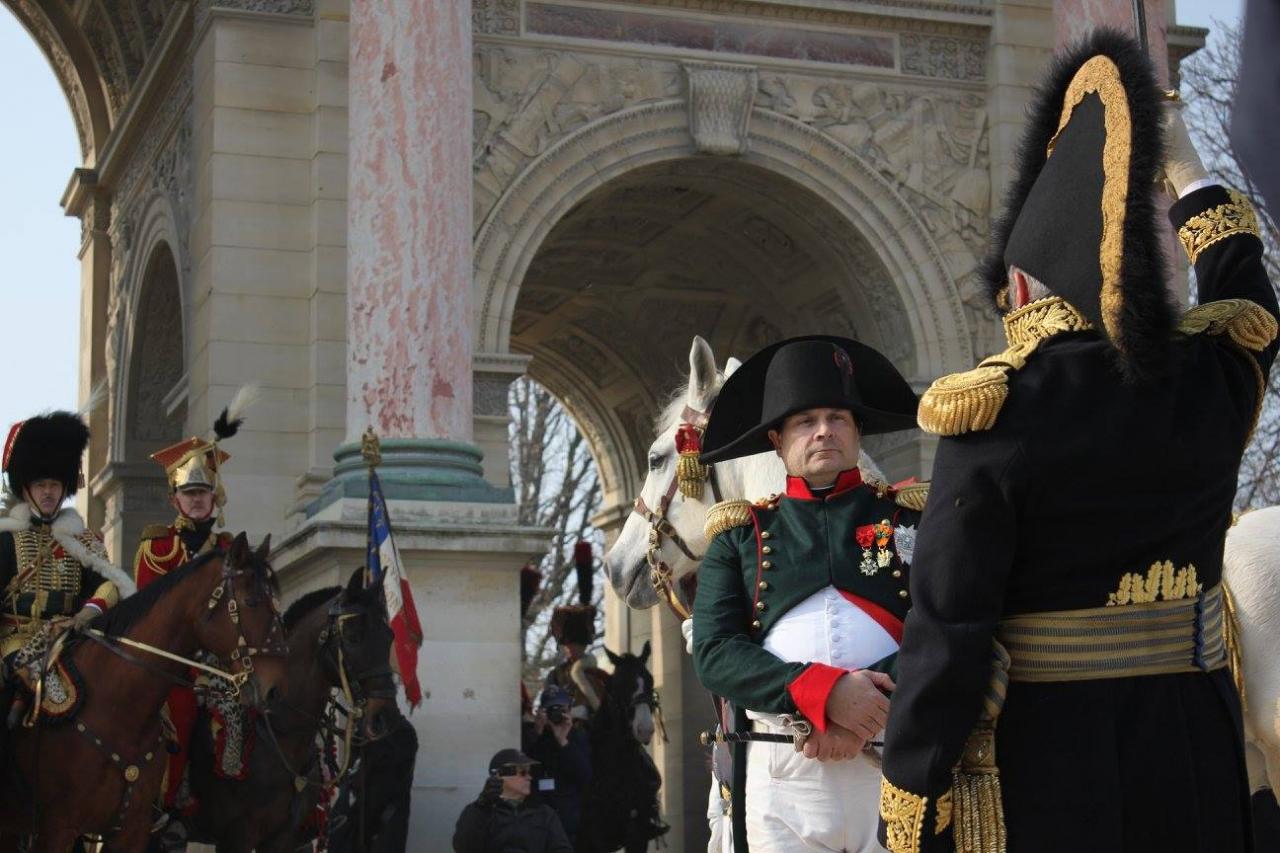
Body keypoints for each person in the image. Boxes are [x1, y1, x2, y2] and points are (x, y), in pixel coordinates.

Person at [877, 30, 1278, 853]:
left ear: (1021, 286)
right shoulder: (1205, 380)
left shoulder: (997, 411)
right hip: (1195, 752)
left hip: (1053, 767)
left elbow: (948, 631)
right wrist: (1188, 172)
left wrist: (911, 792)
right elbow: (1248, 295)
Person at [691, 334, 927, 852]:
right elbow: (714, 653)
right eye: (806, 421)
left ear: (858, 431)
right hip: (782, 772)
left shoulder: (913, 520)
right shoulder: (738, 537)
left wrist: (867, 709)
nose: (824, 432)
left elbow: (948, 628)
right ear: (777, 440)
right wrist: (823, 696)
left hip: (894, 760)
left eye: (838, 418)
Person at [134, 396, 249, 840]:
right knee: (177, 714)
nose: (196, 501)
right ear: (175, 499)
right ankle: (164, 807)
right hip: (174, 663)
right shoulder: (158, 547)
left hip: (220, 661)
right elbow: (149, 609)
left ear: (213, 496)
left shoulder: (227, 548)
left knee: (247, 712)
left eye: (202, 493)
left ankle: (238, 804)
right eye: (188, 494)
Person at [0, 411, 133, 729]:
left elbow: (110, 584)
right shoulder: (6, 539)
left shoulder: (82, 542)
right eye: (41, 484)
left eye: (55, 484)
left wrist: (85, 614)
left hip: (69, 638)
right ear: (27, 488)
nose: (48, 492)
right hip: (14, 642)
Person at [452, 748, 573, 853]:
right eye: (523, 772)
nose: (529, 777)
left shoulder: (544, 813)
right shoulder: (479, 811)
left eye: (529, 772)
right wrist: (482, 806)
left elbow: (562, 849)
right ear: (501, 775)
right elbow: (463, 847)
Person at [524, 685, 591, 842]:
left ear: (569, 709)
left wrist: (563, 741)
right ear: (542, 711)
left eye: (560, 708)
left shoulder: (577, 736)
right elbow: (522, 770)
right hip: (536, 819)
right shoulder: (531, 734)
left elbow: (585, 776)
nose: (556, 714)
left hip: (566, 821)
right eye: (551, 709)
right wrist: (536, 733)